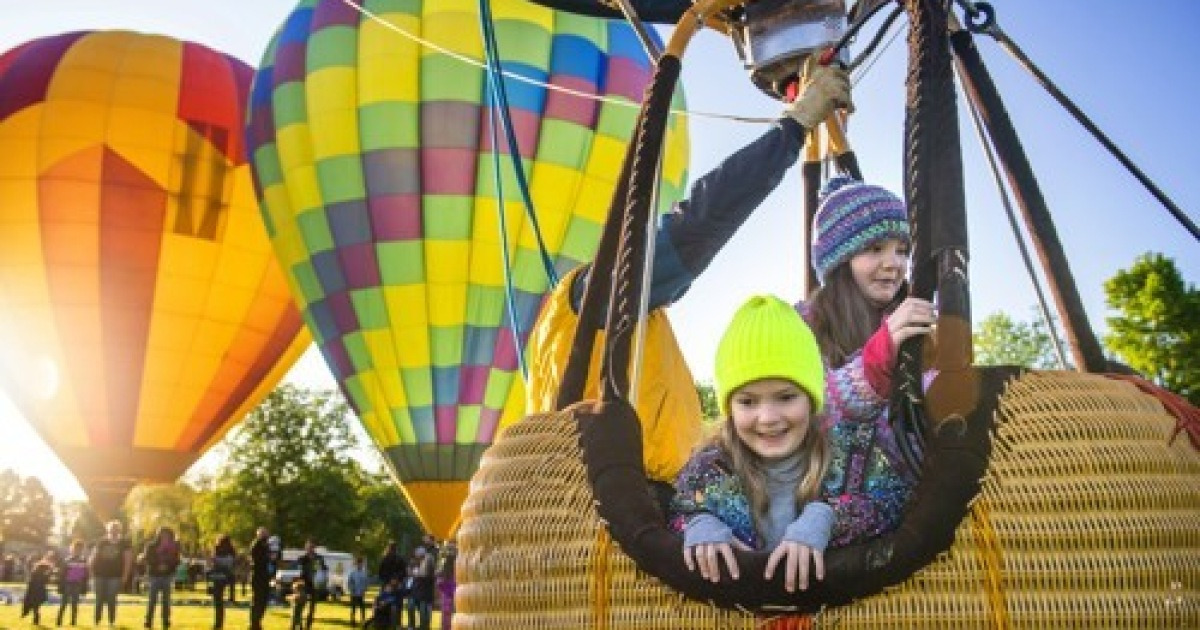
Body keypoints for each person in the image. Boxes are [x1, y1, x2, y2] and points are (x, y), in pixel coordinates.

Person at [798, 175, 932, 547]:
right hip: (820, 498)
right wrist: (879, 357)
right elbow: (812, 408)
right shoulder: (805, 324)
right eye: (875, 249)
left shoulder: (910, 320)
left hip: (897, 500)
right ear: (841, 259)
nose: (894, 264)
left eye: (902, 250)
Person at [669, 295, 833, 593]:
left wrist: (824, 517)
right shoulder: (711, 465)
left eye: (786, 397)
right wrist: (699, 525)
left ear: (811, 399)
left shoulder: (844, 454)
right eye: (748, 401)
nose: (768, 418)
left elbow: (884, 501)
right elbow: (680, 509)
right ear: (729, 408)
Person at [90, 519, 133, 627]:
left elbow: (128, 561)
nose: (113, 531)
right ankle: (97, 621)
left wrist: (125, 576)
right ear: (108, 530)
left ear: (119, 530)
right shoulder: (101, 542)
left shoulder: (125, 543)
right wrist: (91, 574)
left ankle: (111, 621)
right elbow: (93, 558)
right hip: (99, 575)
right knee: (99, 599)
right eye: (111, 529)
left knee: (111, 599)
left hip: (115, 576)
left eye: (116, 529)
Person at [142, 525, 180, 629]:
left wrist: (168, 566)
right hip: (154, 575)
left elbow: (177, 561)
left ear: (170, 535)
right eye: (163, 534)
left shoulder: (174, 546)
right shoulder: (151, 546)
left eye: (167, 535)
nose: (165, 536)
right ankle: (148, 621)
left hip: (167, 576)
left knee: (166, 601)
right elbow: (147, 558)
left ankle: (166, 622)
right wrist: (158, 565)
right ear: (159, 535)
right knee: (152, 600)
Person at [57, 539, 90, 627]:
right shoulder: (68, 560)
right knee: (64, 603)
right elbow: (62, 574)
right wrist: (60, 586)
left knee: (75, 603)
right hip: (68, 584)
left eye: (80, 550)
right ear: (72, 549)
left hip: (77, 585)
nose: (78, 551)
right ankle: (59, 620)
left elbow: (85, 575)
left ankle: (73, 621)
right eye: (76, 549)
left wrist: (84, 587)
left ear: (82, 550)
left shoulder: (84, 561)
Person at [207, 534, 237, 630]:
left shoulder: (217, 549)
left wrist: (214, 560)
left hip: (218, 577)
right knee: (219, 601)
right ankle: (219, 622)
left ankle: (218, 623)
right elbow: (231, 563)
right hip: (226, 577)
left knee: (218, 601)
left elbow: (213, 562)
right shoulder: (231, 551)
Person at [20, 550, 57, 625]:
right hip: (37, 591)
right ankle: (35, 618)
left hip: (36, 591)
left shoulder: (38, 572)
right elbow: (45, 579)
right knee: (35, 606)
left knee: (34, 605)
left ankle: (34, 617)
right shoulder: (40, 572)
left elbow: (44, 579)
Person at [405, 544, 436, 630]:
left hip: (424, 592)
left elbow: (426, 575)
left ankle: (423, 626)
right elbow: (412, 576)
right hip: (416, 591)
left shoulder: (428, 560)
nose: (417, 557)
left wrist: (414, 574)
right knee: (411, 607)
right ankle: (412, 625)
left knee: (423, 611)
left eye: (418, 555)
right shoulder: (416, 563)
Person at [297, 539, 326, 629]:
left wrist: (322, 573)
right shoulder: (302, 559)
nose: (310, 549)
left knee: (312, 608)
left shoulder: (319, 558)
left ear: (314, 548)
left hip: (314, 585)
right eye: (308, 547)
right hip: (304, 585)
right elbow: (299, 572)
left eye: (312, 547)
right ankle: (300, 625)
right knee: (301, 606)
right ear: (306, 548)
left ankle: (308, 626)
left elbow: (322, 569)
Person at [249, 527, 273, 630]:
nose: (266, 536)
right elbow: (257, 560)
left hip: (265, 577)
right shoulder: (256, 545)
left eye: (267, 534)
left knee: (263, 601)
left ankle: (257, 622)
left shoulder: (266, 546)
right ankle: (254, 623)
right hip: (258, 577)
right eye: (264, 534)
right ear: (259, 535)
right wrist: (268, 558)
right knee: (257, 601)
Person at [435, 540, 457, 630]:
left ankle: (447, 627)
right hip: (450, 586)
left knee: (447, 611)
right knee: (448, 610)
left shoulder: (446, 559)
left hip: (449, 586)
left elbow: (438, 575)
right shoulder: (450, 559)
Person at [346, 556, 369, 626]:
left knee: (362, 608)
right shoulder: (352, 572)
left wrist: (364, 589)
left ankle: (363, 621)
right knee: (353, 608)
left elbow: (366, 582)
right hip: (354, 593)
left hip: (361, 593)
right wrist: (352, 589)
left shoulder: (364, 573)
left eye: (361, 563)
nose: (360, 565)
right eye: (358, 563)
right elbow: (349, 582)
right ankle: (352, 621)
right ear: (356, 564)